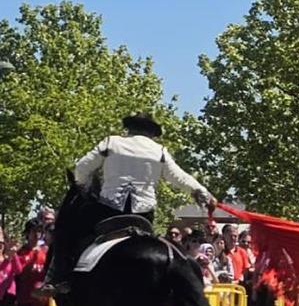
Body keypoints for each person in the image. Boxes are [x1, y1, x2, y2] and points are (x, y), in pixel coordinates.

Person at [41, 113, 216, 295]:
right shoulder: (160, 151)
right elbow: (179, 177)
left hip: (108, 210)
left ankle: (58, 279)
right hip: (143, 214)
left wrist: (82, 185)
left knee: (68, 233)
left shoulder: (111, 143)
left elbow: (81, 169)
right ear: (151, 132)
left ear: (130, 128)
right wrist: (204, 194)